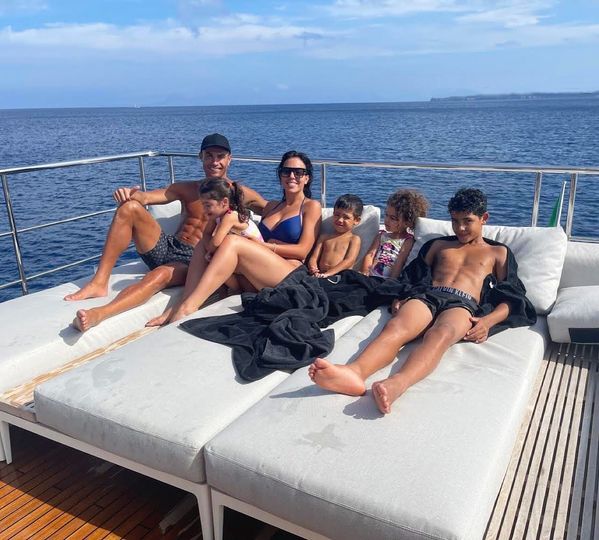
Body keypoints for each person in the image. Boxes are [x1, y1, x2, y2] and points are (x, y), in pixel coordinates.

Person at [309, 187, 531, 414]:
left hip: (462, 304)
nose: (460, 228)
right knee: (396, 327)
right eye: (455, 221)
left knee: (440, 335)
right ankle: (354, 372)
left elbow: (512, 295)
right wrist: (402, 295)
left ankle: (396, 384)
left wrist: (487, 321)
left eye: (468, 221)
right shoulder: (439, 245)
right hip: (428, 295)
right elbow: (412, 276)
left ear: (484, 218)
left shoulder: (498, 252)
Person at [67, 133, 267, 332]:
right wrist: (131, 194)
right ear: (201, 157)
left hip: (194, 260)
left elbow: (271, 210)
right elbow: (146, 198)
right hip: (169, 245)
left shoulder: (239, 193)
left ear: (229, 159)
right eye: (209, 156)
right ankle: (99, 281)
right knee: (129, 207)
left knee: (160, 274)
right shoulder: (187, 188)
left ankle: (99, 314)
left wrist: (276, 238)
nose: (214, 162)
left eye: (220, 156)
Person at [146, 150, 322, 327]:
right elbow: (235, 212)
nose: (291, 176)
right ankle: (181, 303)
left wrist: (265, 247)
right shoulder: (271, 206)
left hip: (288, 275)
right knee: (202, 245)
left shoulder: (311, 206)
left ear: (307, 178)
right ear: (280, 175)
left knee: (233, 242)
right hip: (254, 275)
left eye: (298, 172)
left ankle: (187, 309)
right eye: (286, 171)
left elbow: (302, 251)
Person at [198, 177, 263, 294]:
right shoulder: (217, 216)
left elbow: (215, 243)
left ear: (224, 202)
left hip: (256, 259)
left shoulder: (230, 216)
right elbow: (206, 234)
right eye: (203, 205)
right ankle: (230, 290)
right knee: (212, 258)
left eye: (208, 205)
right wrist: (209, 251)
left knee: (214, 259)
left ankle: (237, 290)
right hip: (241, 257)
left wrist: (209, 251)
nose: (204, 210)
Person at [361, 189, 429, 279]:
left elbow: (399, 262)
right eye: (386, 215)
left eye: (393, 218)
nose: (387, 220)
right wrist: (364, 272)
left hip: (386, 280)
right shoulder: (381, 236)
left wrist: (391, 281)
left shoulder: (407, 240)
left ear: (408, 222)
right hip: (370, 277)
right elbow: (370, 255)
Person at [307, 194, 363, 278]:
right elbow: (314, 257)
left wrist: (329, 273)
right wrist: (313, 267)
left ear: (356, 220)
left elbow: (349, 261)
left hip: (341, 276)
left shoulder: (354, 239)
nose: (340, 220)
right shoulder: (324, 237)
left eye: (346, 217)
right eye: (337, 215)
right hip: (320, 274)